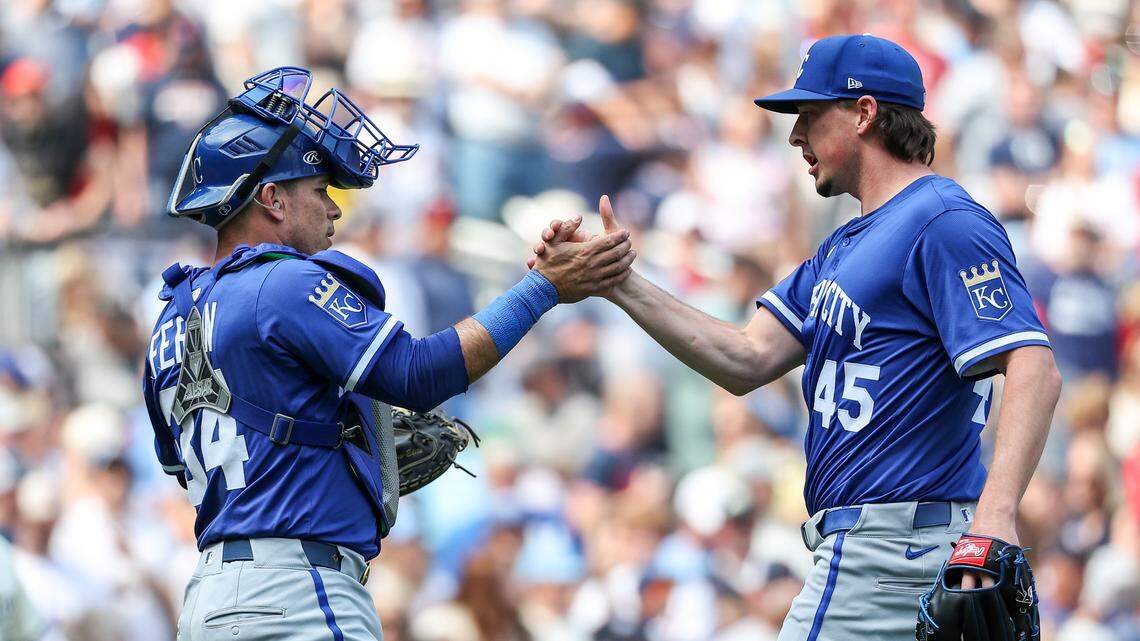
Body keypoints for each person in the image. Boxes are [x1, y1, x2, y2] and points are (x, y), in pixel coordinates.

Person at [532, 35, 1062, 640]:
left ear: (864, 114)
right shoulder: (844, 244)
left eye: (809, 115)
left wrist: (995, 519)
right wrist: (619, 283)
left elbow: (1033, 367)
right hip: (879, 543)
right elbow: (746, 357)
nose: (795, 136)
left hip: (889, 548)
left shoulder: (942, 219)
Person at [142, 67, 633, 641]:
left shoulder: (170, 317)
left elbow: (181, 466)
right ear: (271, 198)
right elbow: (420, 374)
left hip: (207, 601)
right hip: (299, 594)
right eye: (319, 189)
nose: (333, 209)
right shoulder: (283, 285)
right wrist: (543, 288)